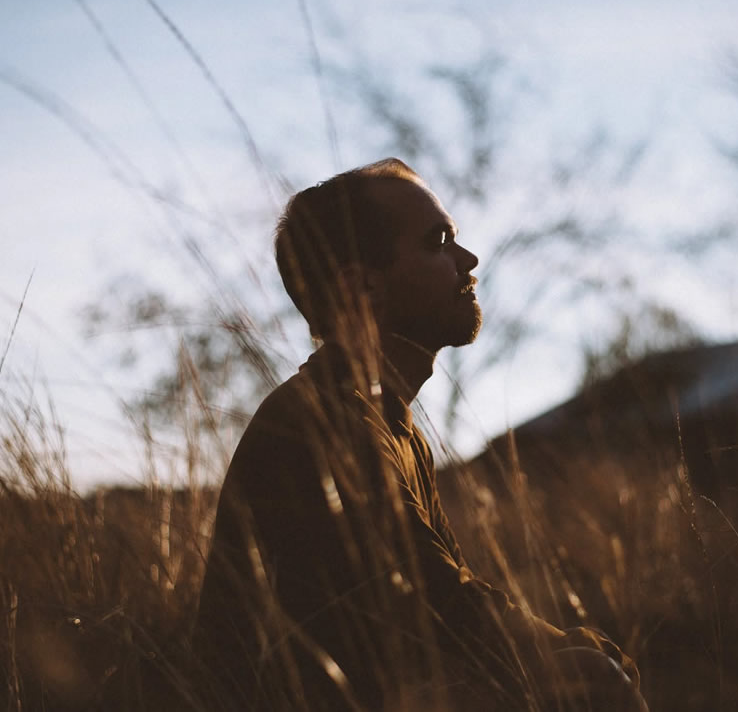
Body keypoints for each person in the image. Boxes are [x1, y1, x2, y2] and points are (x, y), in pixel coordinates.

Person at [192, 159, 647, 711]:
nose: (468, 260)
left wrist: (568, 651)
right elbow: (436, 604)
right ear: (364, 286)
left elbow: (447, 592)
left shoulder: (392, 423)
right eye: (439, 241)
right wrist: (565, 656)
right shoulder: (329, 424)